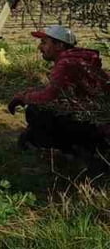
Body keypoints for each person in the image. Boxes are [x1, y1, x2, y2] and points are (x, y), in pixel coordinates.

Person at [9, 25, 108, 157]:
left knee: (36, 111)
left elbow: (49, 96)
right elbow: (57, 90)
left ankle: (58, 153)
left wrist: (23, 98)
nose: (39, 47)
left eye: (44, 43)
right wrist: (28, 93)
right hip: (98, 119)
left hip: (93, 125)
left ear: (59, 46)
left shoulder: (65, 63)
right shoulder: (78, 60)